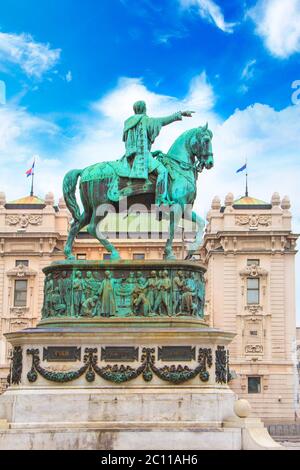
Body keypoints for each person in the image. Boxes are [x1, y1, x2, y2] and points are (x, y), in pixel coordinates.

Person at [121, 100, 194, 205]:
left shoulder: (128, 124)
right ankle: (161, 200)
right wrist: (181, 113)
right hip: (142, 157)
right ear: (143, 109)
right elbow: (164, 120)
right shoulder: (145, 120)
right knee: (163, 171)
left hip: (129, 156)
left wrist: (153, 153)